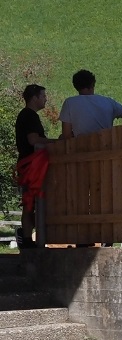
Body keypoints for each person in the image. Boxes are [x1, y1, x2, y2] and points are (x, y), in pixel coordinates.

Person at [14, 84, 52, 248]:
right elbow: (33, 140)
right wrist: (55, 142)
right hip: (31, 165)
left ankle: (28, 237)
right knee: (31, 202)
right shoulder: (29, 116)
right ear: (34, 98)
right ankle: (27, 239)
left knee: (30, 203)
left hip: (28, 164)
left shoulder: (26, 115)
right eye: (43, 96)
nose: (45, 99)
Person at [58, 69, 122, 139]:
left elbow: (66, 135)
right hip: (108, 147)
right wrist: (121, 134)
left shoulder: (69, 103)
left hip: (82, 150)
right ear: (93, 84)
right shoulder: (108, 102)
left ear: (75, 86)